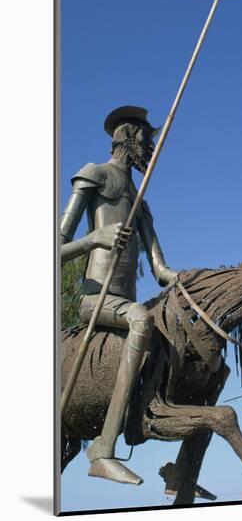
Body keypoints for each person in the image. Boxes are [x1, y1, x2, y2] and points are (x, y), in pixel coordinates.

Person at [61, 106, 177, 486]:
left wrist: (188, 280)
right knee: (141, 320)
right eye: (146, 140)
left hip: (125, 299)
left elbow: (160, 269)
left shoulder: (139, 198)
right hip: (96, 300)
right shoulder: (95, 175)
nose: (150, 149)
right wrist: (95, 238)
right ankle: (102, 450)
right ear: (127, 136)